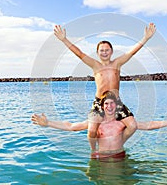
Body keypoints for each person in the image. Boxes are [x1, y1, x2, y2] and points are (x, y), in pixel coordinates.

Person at [54, 23, 156, 152]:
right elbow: (79, 53)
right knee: (91, 130)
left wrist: (145, 38)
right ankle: (93, 150)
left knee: (133, 125)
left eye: (107, 50)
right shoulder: (95, 65)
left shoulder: (117, 63)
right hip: (99, 102)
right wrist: (64, 39)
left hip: (116, 102)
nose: (104, 52)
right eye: (101, 50)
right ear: (97, 53)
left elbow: (131, 52)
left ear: (111, 51)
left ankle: (119, 143)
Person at [31, 91, 167, 160]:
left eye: (112, 103)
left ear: (117, 105)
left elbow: (148, 125)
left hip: (120, 156)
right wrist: (48, 123)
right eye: (106, 103)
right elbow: (71, 126)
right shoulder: (96, 123)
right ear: (102, 106)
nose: (110, 106)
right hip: (101, 157)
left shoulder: (122, 123)